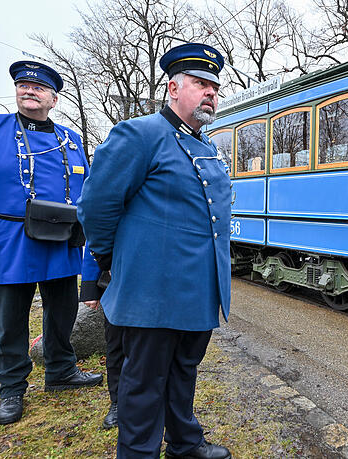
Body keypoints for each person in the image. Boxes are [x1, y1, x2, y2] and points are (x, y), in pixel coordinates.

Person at [78, 43, 232, 459]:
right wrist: (113, 261)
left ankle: (183, 443)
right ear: (173, 87)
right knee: (144, 382)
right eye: (200, 83)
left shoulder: (209, 148)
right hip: (152, 287)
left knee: (184, 373)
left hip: (200, 288)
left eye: (215, 86)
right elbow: (96, 207)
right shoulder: (140, 134)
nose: (211, 93)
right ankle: (139, 453)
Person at [0, 61, 102, 426]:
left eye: (38, 87)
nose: (28, 90)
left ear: (54, 98)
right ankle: (12, 386)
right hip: (7, 238)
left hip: (62, 239)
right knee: (11, 321)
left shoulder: (71, 138)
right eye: (22, 84)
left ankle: (61, 372)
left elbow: (88, 190)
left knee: (62, 313)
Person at [79, 254, 121, 429]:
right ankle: (119, 401)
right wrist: (90, 285)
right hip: (118, 278)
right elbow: (95, 233)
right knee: (117, 343)